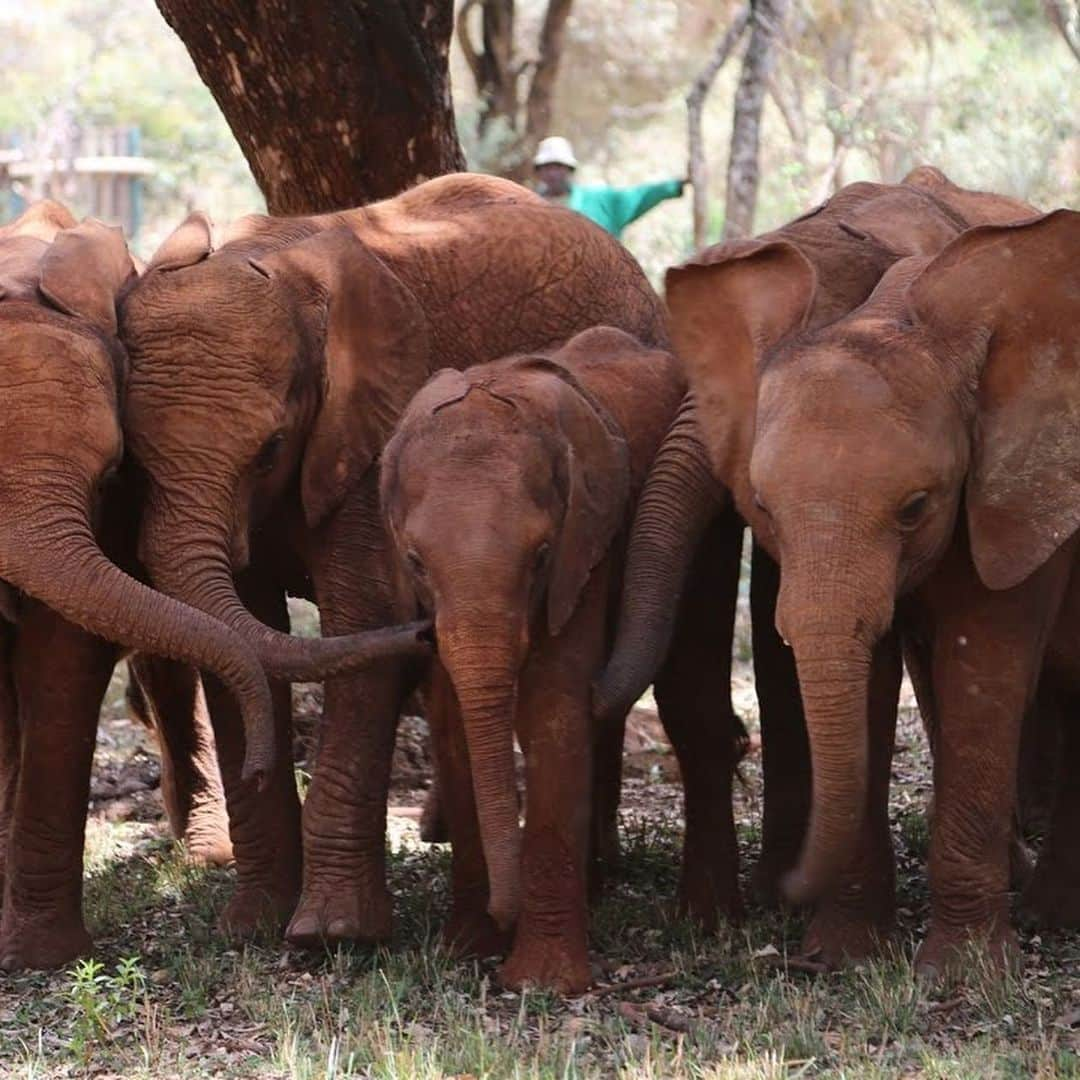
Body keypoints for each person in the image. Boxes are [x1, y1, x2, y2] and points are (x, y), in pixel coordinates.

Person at [533, 136, 686, 239]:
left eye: (558, 166)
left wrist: (676, 185)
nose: (552, 173)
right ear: (539, 171)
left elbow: (639, 196)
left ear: (569, 169)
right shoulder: (529, 207)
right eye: (547, 167)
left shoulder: (598, 203)